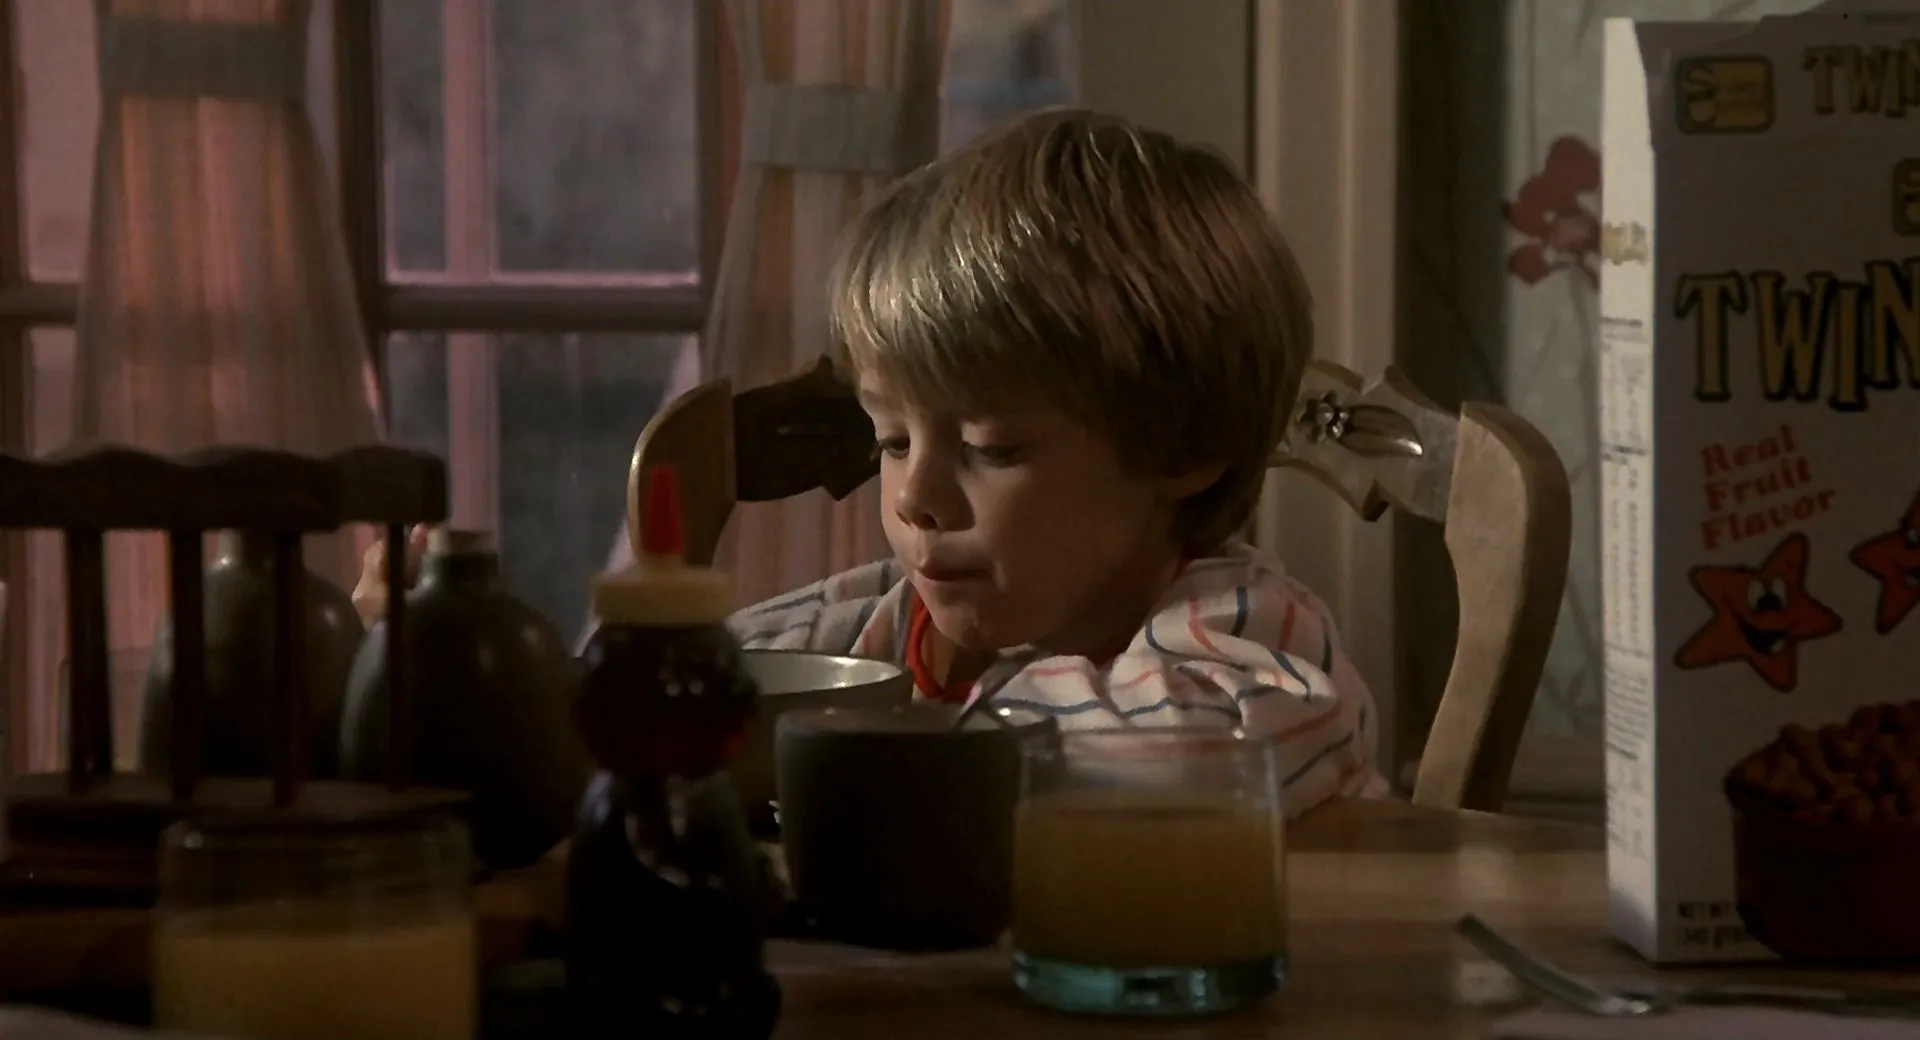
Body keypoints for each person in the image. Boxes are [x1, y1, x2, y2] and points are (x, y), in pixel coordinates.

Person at [356, 108, 1385, 816]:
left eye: (989, 448)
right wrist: (440, 679)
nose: (915, 497)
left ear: (1186, 450)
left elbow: (1192, 765)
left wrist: (874, 744)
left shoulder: (1247, 630)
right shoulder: (878, 628)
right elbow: (645, 711)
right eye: (891, 439)